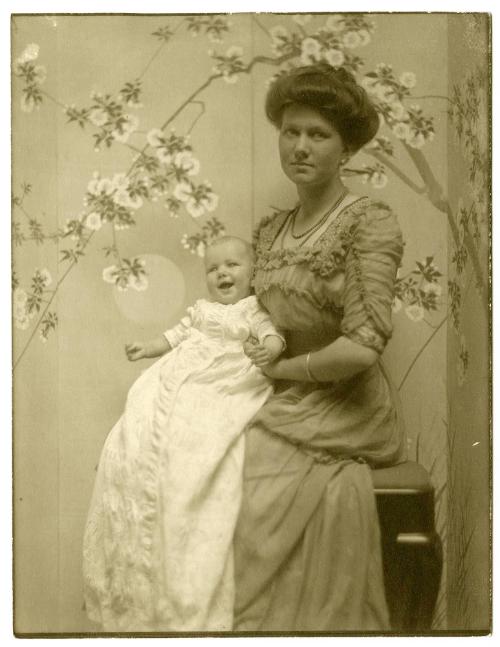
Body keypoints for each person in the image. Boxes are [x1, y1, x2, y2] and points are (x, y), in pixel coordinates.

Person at [233, 63, 407, 631]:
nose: (300, 146)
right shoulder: (270, 231)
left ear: (347, 148)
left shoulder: (368, 223)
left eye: (318, 134)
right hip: (277, 391)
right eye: (291, 131)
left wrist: (286, 367)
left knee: (248, 474)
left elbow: (361, 349)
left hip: (345, 405)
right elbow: (255, 318)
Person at [82, 236, 285, 632]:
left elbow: (271, 334)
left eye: (232, 266)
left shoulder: (253, 308)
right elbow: (173, 337)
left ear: (252, 272)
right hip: (182, 371)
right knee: (143, 401)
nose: (222, 273)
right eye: (213, 269)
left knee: (201, 422)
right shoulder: (201, 310)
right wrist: (147, 347)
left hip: (225, 377)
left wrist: (271, 350)